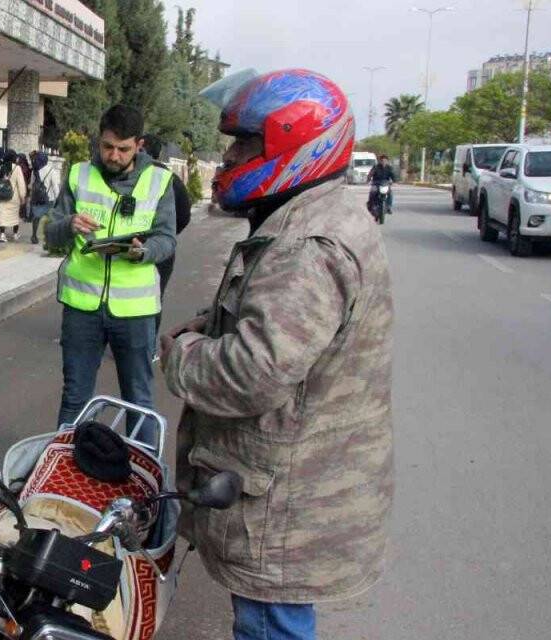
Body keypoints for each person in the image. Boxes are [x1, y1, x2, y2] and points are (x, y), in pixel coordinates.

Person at [160, 68, 394, 640]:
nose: (232, 156)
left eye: (245, 143)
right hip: (294, 486)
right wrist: (216, 325)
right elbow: (282, 334)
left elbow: (253, 374)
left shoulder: (306, 246)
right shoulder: (314, 216)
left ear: (295, 145)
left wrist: (182, 353)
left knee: (269, 625)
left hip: (284, 506)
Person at [44, 104, 177, 427]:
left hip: (135, 312)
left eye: (123, 149)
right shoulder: (79, 174)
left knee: (139, 400)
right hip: (82, 309)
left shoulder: (159, 181)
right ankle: (65, 469)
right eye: (107, 146)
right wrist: (69, 224)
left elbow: (167, 239)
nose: (113, 155)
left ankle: (142, 473)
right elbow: (50, 232)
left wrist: (143, 251)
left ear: (139, 145)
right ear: (98, 141)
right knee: (75, 397)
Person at [140, 133, 192, 334]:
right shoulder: (172, 180)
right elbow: (185, 215)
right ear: (160, 153)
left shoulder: (130, 177)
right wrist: (168, 235)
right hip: (163, 249)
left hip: (133, 246)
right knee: (155, 296)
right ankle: (148, 344)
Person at [0, 150, 28, 242]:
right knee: (14, 215)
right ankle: (15, 234)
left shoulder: (1, 167)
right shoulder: (17, 168)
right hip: (14, 197)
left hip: (2, 195)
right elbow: (21, 184)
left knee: (2, 215)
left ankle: (2, 235)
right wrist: (22, 196)